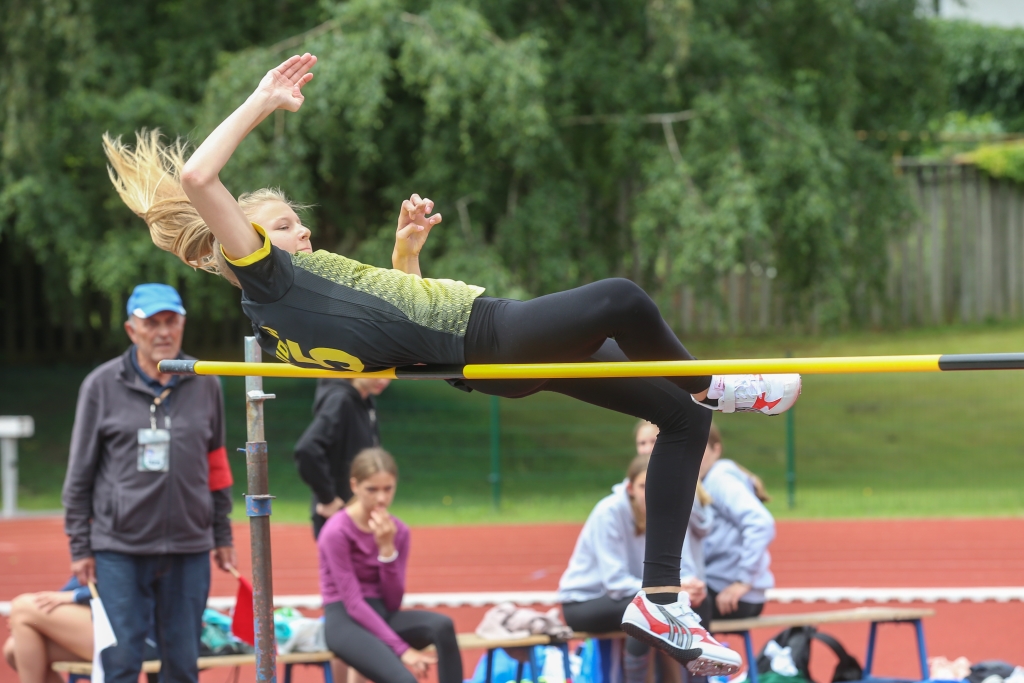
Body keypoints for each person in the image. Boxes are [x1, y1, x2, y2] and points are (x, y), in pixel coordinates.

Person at [102, 53, 801, 674]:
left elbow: (402, 337)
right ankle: (717, 385)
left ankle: (660, 599)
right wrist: (262, 98)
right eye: (284, 224)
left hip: (485, 358)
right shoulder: (269, 281)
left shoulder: (283, 323)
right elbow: (198, 175)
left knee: (679, 420)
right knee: (622, 299)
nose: (302, 228)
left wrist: (405, 255)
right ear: (243, 242)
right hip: (490, 336)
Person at [61, 283, 236, 683]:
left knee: (183, 665)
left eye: (171, 322)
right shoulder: (101, 385)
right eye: (152, 323)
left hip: (189, 547)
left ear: (182, 325)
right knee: (122, 662)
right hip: (119, 549)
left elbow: (217, 464)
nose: (163, 332)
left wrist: (222, 534)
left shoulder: (206, 381)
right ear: (131, 330)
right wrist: (80, 546)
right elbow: (80, 473)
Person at [317, 447, 461, 683]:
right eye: (372, 489)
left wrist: (387, 551)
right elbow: (353, 603)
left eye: (388, 489)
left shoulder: (399, 531)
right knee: (404, 680)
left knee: (443, 626)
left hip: (381, 613)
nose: (381, 498)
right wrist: (403, 650)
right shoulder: (336, 531)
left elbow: (393, 602)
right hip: (345, 619)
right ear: (354, 485)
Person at [295, 377, 391, 539]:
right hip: (339, 512)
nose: (384, 379)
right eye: (378, 369)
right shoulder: (341, 400)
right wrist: (328, 498)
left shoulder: (366, 400)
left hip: (360, 509)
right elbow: (307, 449)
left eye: (388, 371)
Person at [699, 424, 776, 620]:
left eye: (698, 448)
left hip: (730, 595)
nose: (690, 455)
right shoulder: (705, 481)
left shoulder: (719, 480)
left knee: (660, 608)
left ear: (716, 450)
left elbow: (760, 522)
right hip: (720, 586)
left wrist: (743, 581)